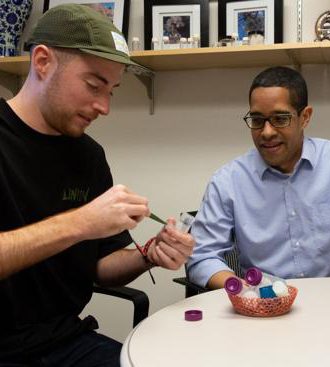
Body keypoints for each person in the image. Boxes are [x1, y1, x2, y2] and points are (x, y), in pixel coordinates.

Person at [0, 4, 194, 366]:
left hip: (63, 342)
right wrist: (81, 222)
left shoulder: (88, 156)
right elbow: (80, 227)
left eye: (112, 91)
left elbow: (100, 266)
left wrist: (148, 254)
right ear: (42, 62)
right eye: (93, 85)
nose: (104, 106)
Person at [187, 66, 330, 289]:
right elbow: (202, 257)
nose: (267, 132)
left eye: (280, 118)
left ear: (305, 117)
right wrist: (244, 291)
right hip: (260, 305)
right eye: (257, 119)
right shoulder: (227, 181)